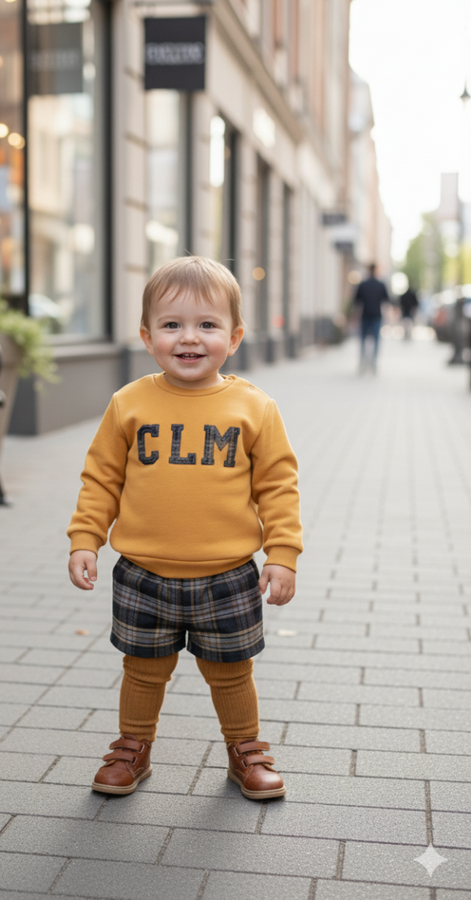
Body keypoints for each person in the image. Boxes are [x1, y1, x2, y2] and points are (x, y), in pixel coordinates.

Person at [67, 256, 303, 801]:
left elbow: (278, 487)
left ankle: (245, 750)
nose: (189, 338)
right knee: (143, 670)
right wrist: (86, 539)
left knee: (232, 673)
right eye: (172, 325)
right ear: (148, 337)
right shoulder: (129, 403)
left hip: (228, 575)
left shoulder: (253, 408)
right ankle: (133, 749)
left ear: (235, 336)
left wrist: (283, 554)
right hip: (143, 573)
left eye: (207, 325)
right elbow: (100, 478)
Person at [353, 263, 390, 372]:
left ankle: (363, 362)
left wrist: (355, 316)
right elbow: (386, 301)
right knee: (376, 340)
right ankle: (373, 363)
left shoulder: (363, 284)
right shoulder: (380, 284)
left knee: (363, 340)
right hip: (376, 316)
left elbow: (357, 302)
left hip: (365, 315)